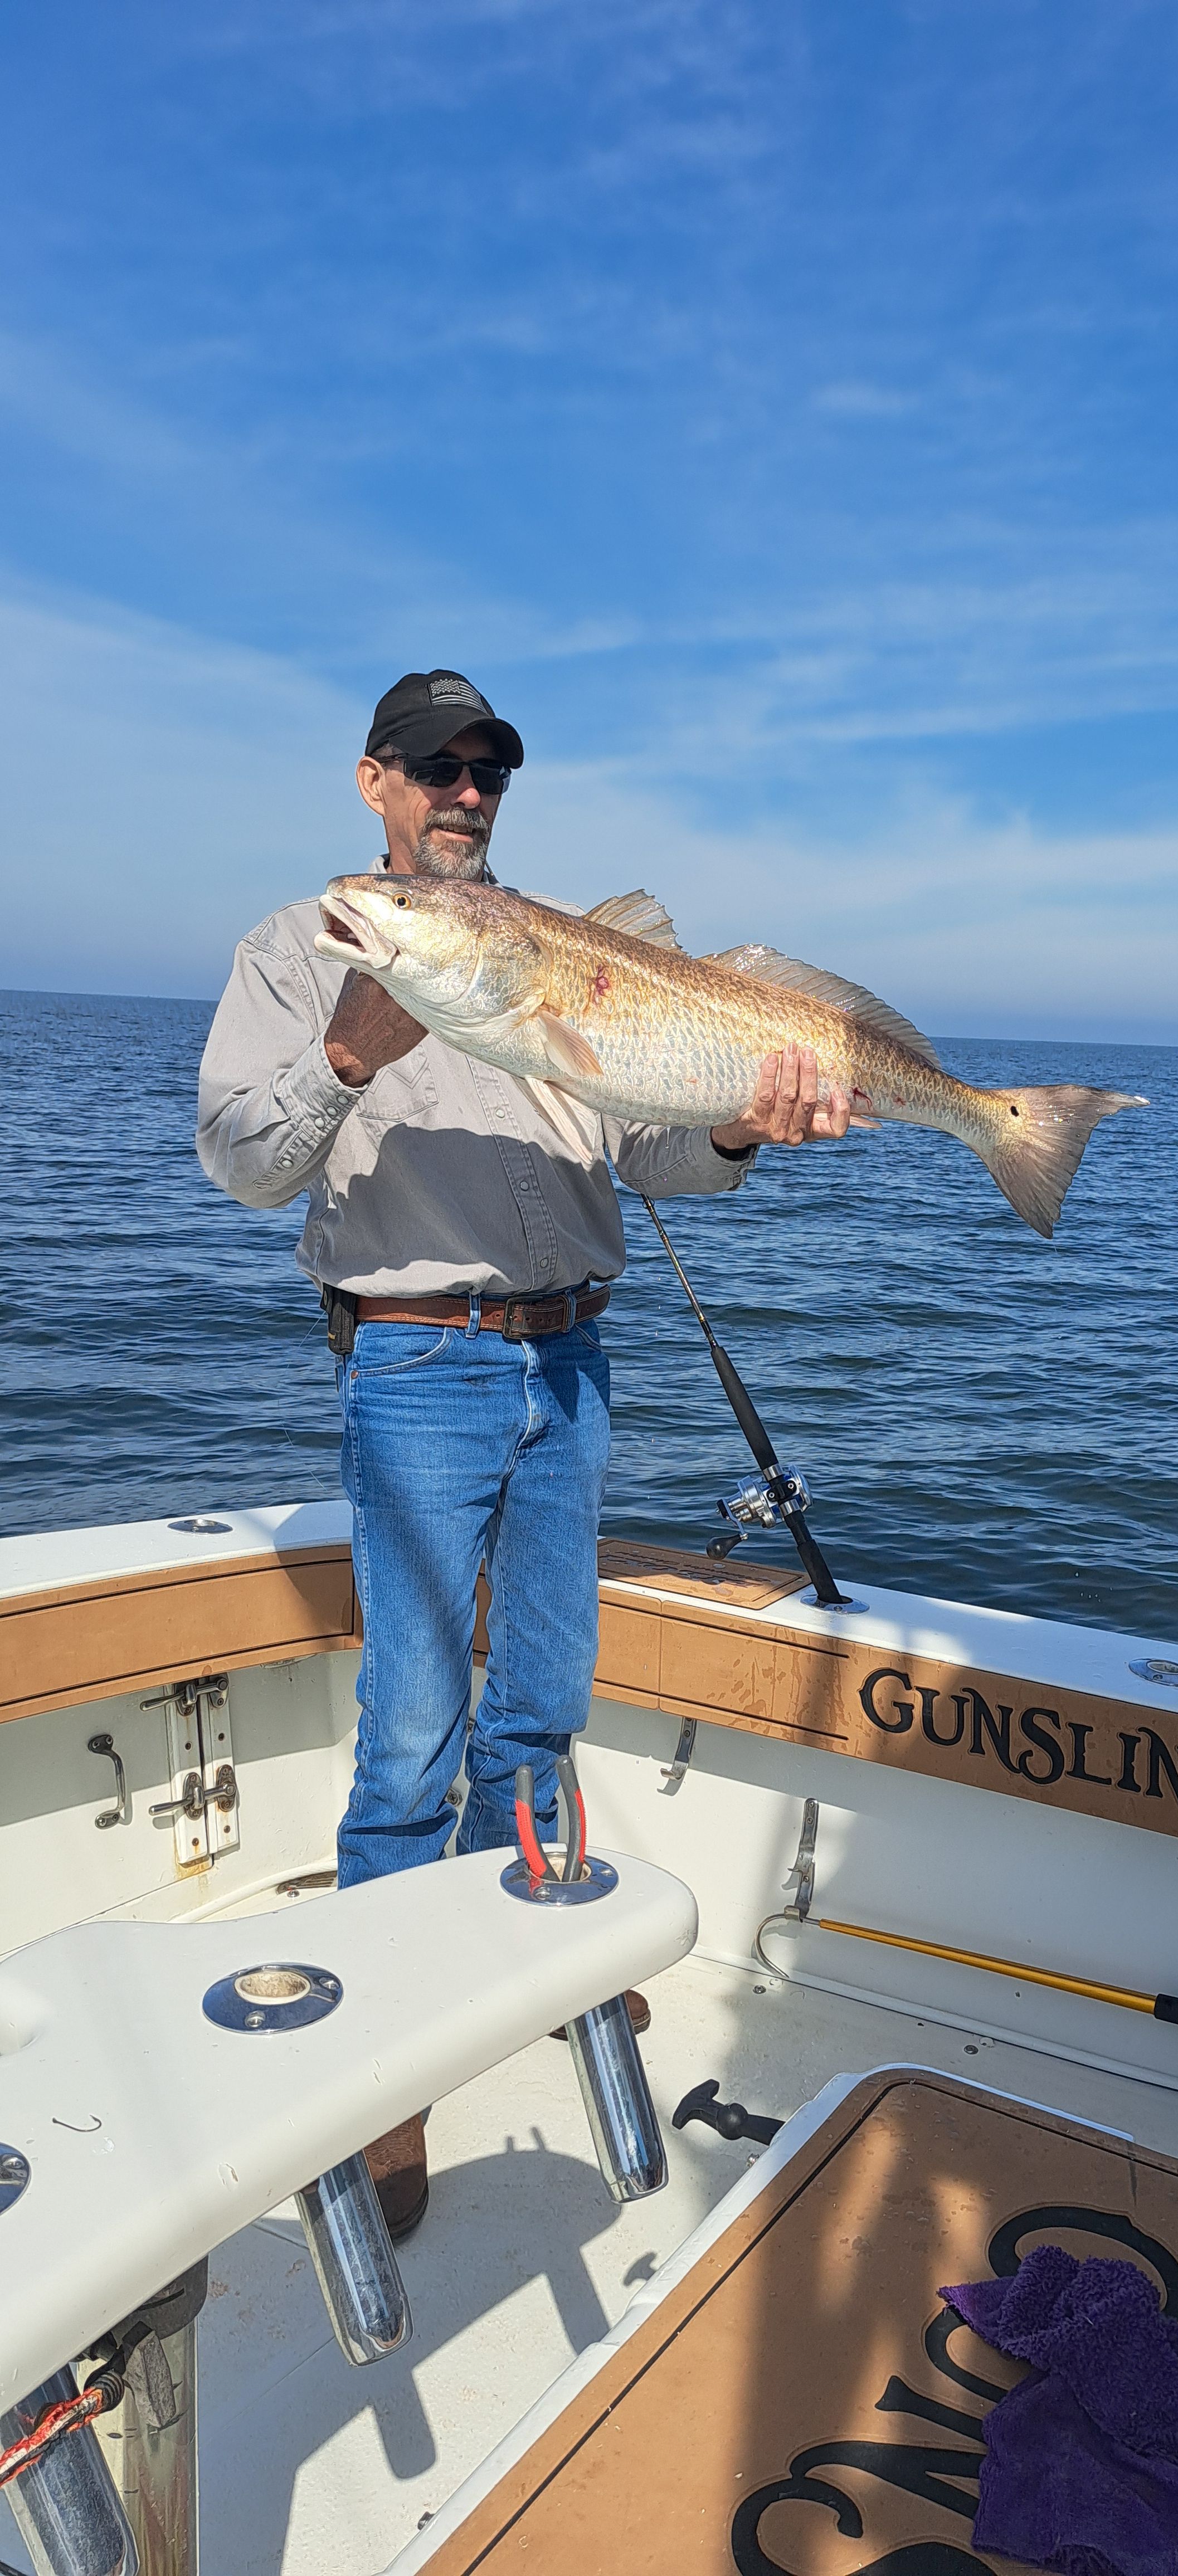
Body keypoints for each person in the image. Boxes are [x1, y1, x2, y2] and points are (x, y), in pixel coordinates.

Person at [197, 669, 850, 2237]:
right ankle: (378, 2066)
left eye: (487, 767)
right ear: (374, 782)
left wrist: (746, 1128)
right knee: (415, 1720)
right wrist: (348, 1051)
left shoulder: (568, 944)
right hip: (415, 1360)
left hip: (573, 1352)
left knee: (544, 1697)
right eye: (435, 766)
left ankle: (535, 1953)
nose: (465, 790)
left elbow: (657, 1153)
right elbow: (239, 1161)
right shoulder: (305, 945)